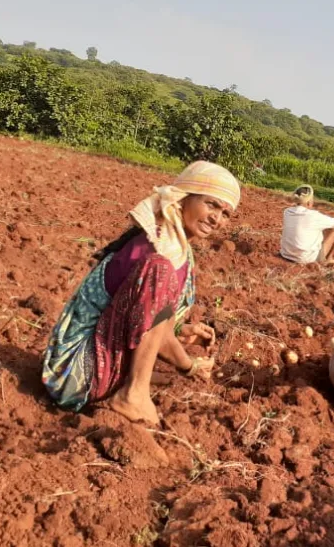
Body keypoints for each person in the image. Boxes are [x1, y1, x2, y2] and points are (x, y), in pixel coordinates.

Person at [41, 161, 241, 425]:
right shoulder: (153, 250)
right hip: (76, 373)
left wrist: (183, 331)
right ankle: (133, 393)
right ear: (182, 198)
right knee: (160, 271)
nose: (216, 219)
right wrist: (188, 365)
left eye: (225, 214)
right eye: (211, 204)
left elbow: (154, 322)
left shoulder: (178, 250)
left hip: (103, 357)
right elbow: (157, 329)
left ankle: (130, 384)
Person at [280, 184, 334, 265]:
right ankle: (328, 259)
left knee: (320, 228)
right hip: (306, 259)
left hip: (286, 254)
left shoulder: (287, 211)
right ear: (309, 202)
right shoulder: (314, 216)